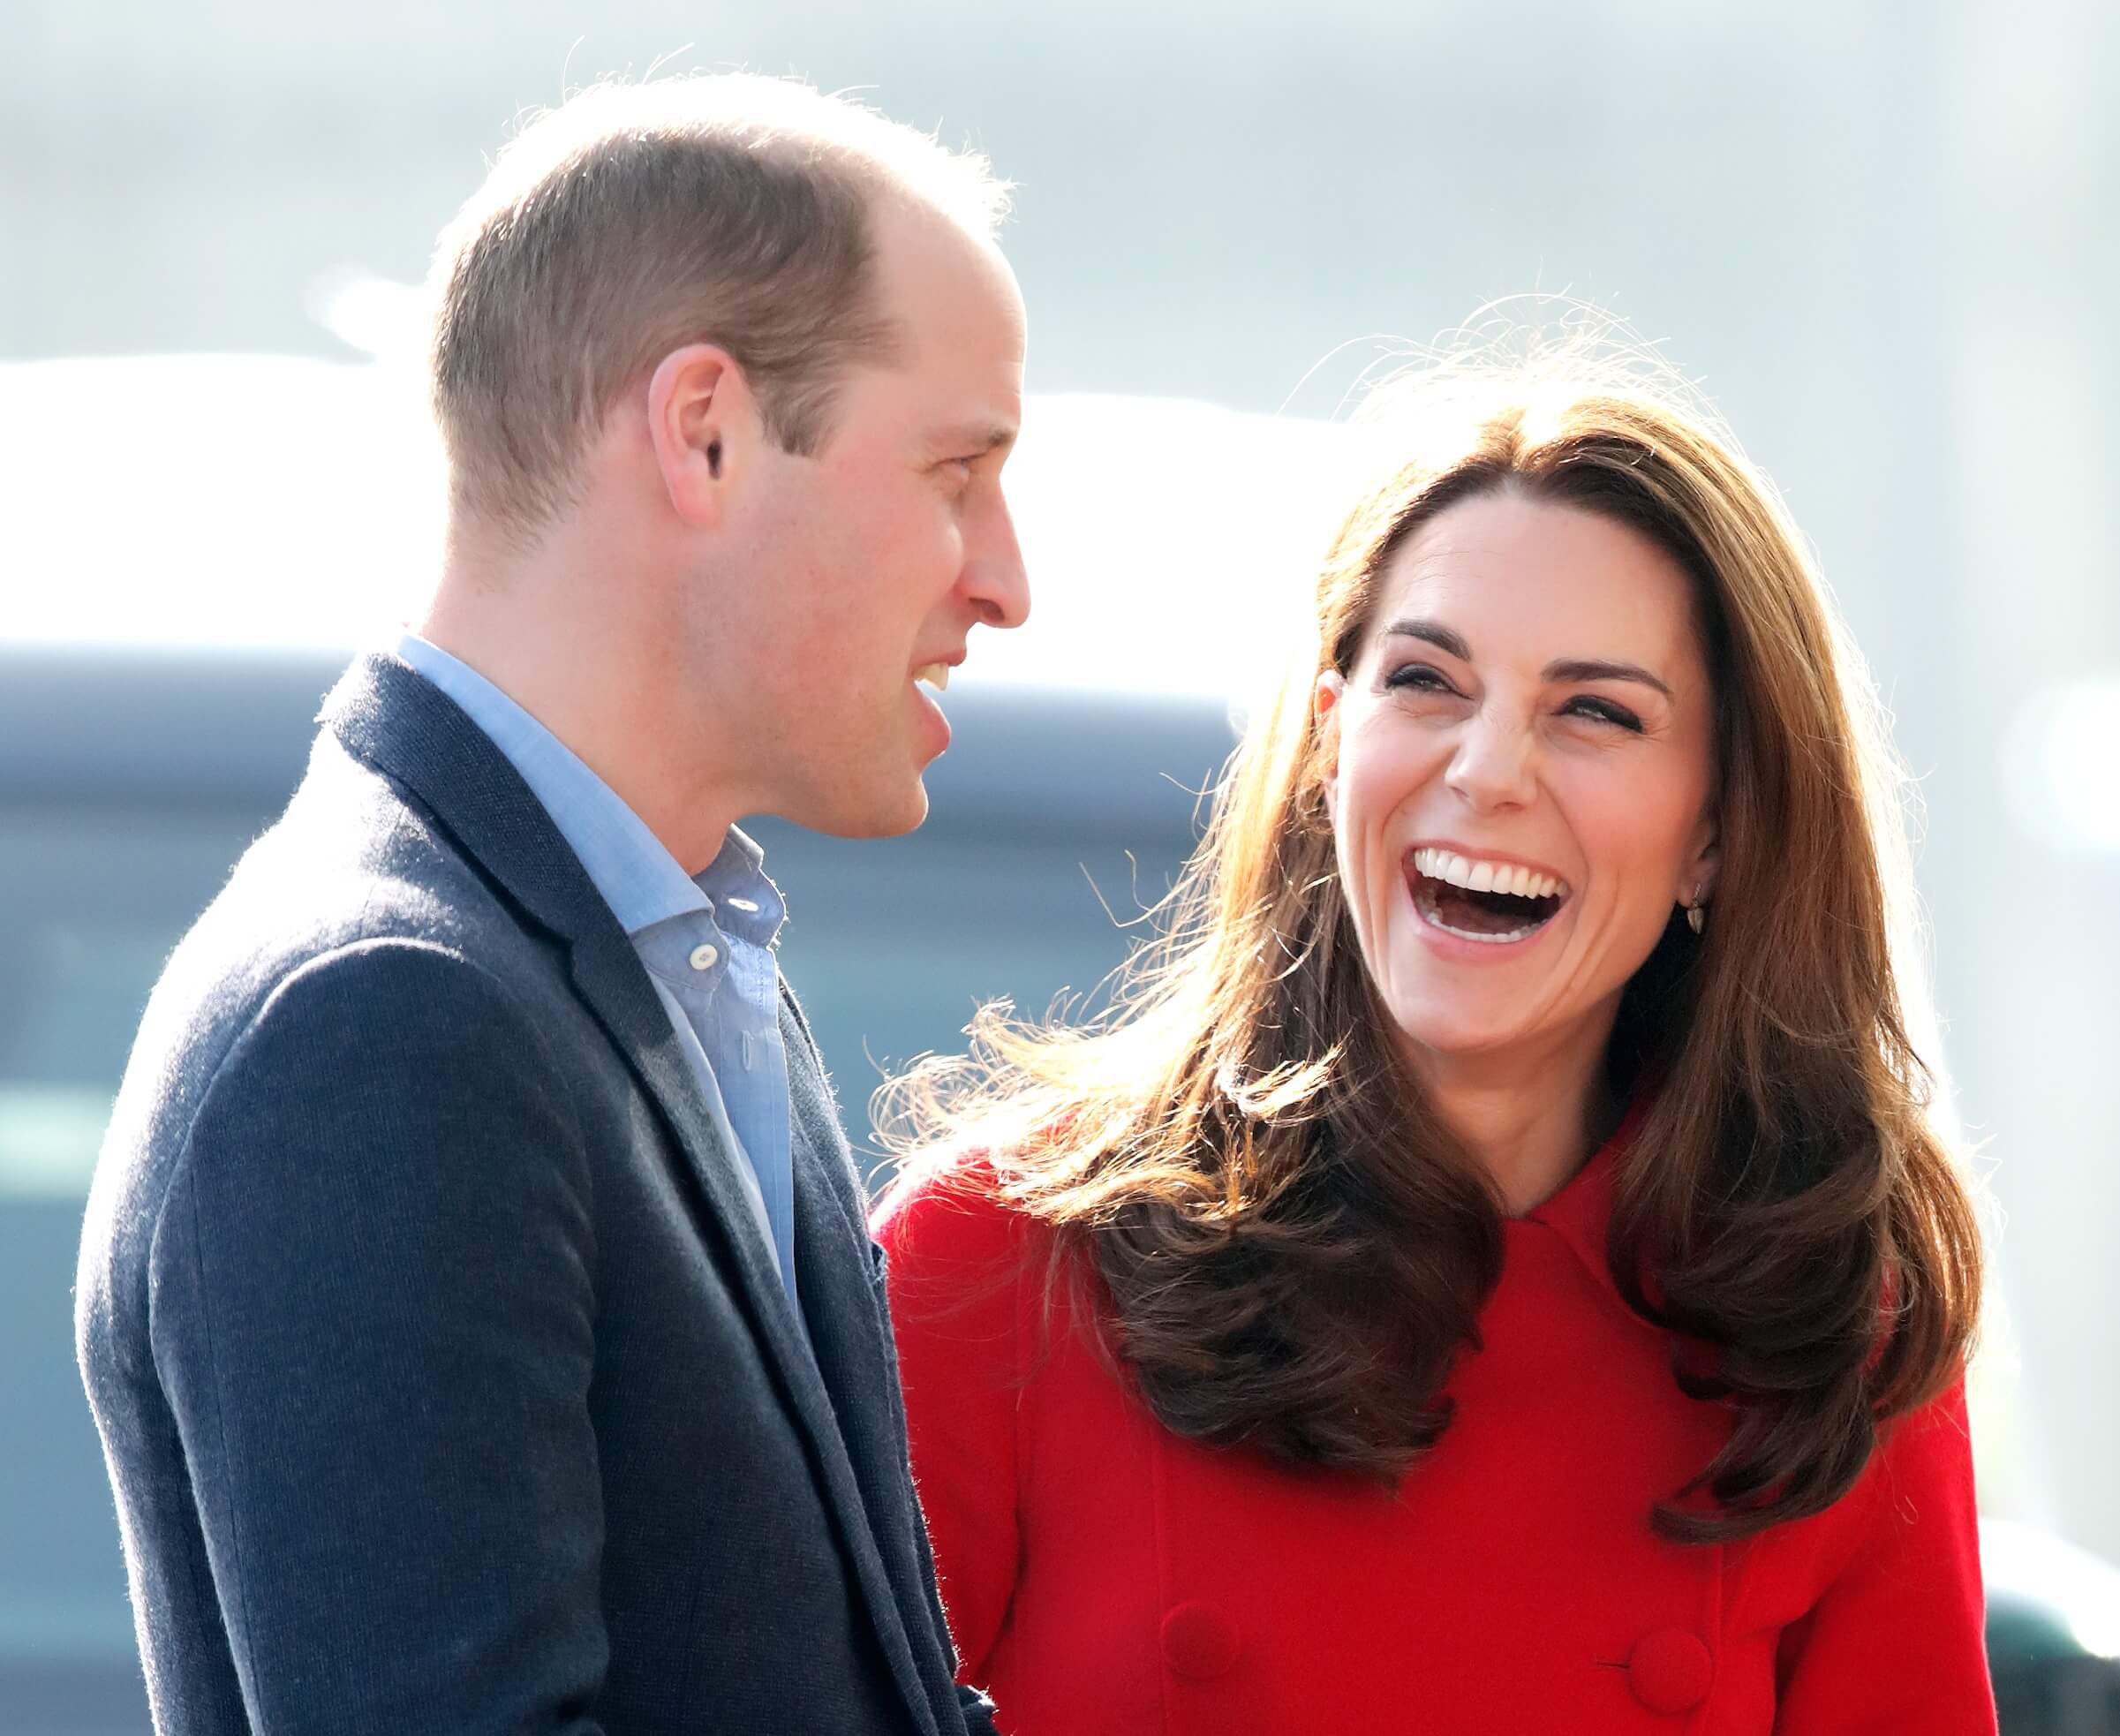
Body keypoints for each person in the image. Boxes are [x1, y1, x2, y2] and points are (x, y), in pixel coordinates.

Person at [76, 72, 1028, 1733]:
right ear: (704, 431)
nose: (1006, 579)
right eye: (958, 472)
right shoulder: (380, 1020)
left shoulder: (675, 965)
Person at [871, 362, 1995, 1732]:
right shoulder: (996, 1263)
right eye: (1426, 680)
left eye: (1596, 710)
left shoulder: (1838, 1333)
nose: (1486, 768)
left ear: (1719, 827)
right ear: (1327, 747)